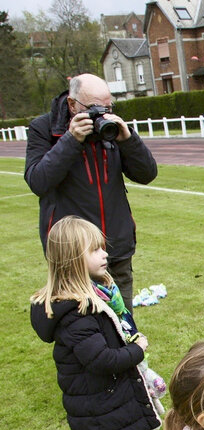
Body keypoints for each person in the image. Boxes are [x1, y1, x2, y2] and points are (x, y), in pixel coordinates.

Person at [30, 216, 161, 430]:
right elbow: (101, 360)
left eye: (102, 247)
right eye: (94, 249)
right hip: (99, 402)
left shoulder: (91, 294)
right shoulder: (76, 312)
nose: (104, 254)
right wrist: (137, 350)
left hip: (100, 400)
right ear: (74, 259)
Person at [25, 74, 158, 311]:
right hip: (72, 254)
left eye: (107, 106)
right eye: (93, 107)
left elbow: (147, 174)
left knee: (123, 325)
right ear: (72, 103)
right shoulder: (44, 129)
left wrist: (128, 140)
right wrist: (71, 140)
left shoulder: (110, 128)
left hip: (116, 249)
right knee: (82, 330)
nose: (100, 113)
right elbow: (38, 181)